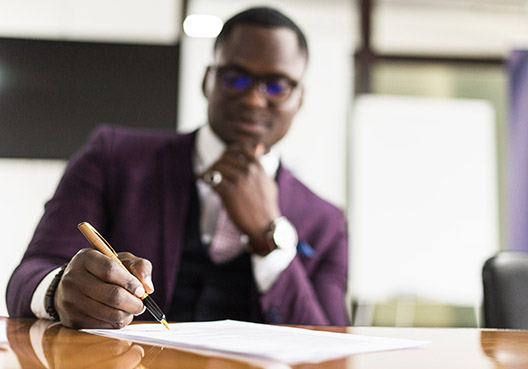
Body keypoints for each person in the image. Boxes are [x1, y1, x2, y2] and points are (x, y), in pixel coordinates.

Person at [6, 6, 349, 328]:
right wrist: (57, 292)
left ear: (299, 98)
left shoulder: (326, 221)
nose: (253, 99)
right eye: (236, 78)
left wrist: (268, 238)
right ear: (207, 81)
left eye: (276, 85)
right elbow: (29, 275)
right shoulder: (112, 157)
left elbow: (332, 345)